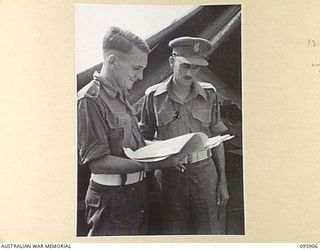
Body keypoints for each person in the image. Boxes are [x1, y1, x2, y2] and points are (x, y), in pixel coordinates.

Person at [77, 26, 184, 236]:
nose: (141, 75)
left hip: (135, 193)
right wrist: (153, 164)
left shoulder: (120, 95)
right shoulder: (90, 100)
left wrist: (168, 149)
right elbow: (98, 163)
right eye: (136, 68)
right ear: (113, 61)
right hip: (111, 199)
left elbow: (132, 146)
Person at [140, 36, 230, 234]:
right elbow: (142, 139)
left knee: (209, 231)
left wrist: (222, 180)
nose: (191, 73)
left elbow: (218, 139)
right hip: (170, 176)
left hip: (205, 173)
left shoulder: (210, 94)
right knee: (174, 232)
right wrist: (163, 156)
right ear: (172, 62)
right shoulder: (153, 97)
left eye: (196, 67)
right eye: (186, 66)